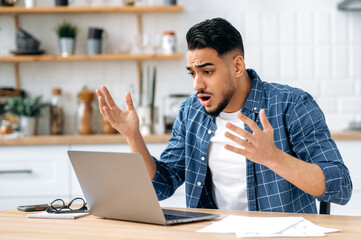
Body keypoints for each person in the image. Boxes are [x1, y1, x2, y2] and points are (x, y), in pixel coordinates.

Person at [96, 18, 352, 213]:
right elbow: (161, 186)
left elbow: (340, 186)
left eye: (207, 72)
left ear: (237, 66)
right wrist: (133, 137)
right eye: (192, 73)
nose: (197, 85)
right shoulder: (191, 112)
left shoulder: (292, 105)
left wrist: (274, 158)